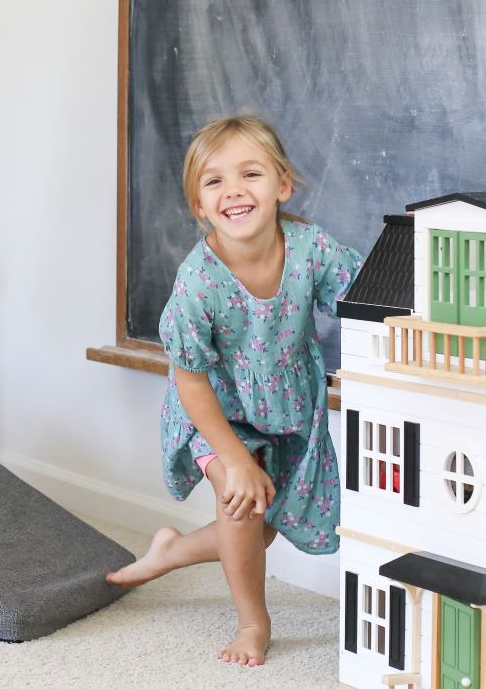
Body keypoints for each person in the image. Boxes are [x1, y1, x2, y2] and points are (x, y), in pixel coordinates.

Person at [107, 115, 362, 667]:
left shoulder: (310, 248)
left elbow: (361, 296)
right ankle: (253, 622)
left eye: (251, 173)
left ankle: (171, 551)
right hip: (212, 410)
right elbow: (190, 379)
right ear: (200, 206)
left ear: (283, 185)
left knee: (258, 528)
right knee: (241, 502)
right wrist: (231, 458)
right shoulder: (199, 282)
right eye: (214, 181)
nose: (234, 191)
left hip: (286, 407)